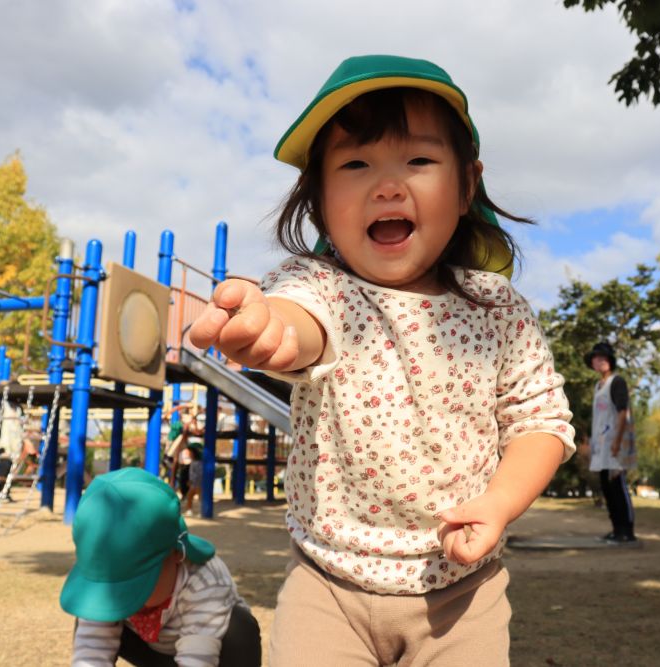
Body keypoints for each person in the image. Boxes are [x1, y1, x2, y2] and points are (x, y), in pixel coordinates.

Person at [189, 55, 575, 666]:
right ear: (318, 199)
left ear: (467, 184)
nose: (387, 185)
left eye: (419, 160)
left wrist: (500, 503)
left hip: (462, 596)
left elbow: (541, 423)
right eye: (355, 164)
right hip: (328, 588)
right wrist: (269, 331)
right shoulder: (323, 288)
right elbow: (300, 325)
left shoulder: (498, 308)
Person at [60, 467, 261, 666]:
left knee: (240, 626)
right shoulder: (105, 578)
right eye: (115, 586)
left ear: (176, 553)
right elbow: (91, 653)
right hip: (153, 651)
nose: (127, 597)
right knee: (95, 610)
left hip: (210, 651)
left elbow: (197, 661)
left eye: (135, 585)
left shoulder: (205, 581)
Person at [584, 341, 637, 545]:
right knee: (607, 488)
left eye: (604, 357)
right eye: (597, 357)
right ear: (593, 363)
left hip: (615, 444)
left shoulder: (617, 382)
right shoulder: (598, 386)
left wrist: (617, 442)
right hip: (601, 446)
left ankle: (627, 530)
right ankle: (616, 529)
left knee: (618, 487)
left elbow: (623, 412)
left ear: (611, 361)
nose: (601, 360)